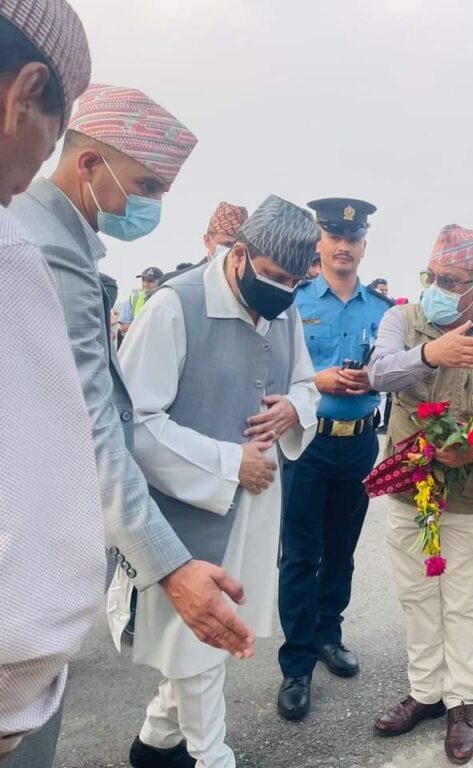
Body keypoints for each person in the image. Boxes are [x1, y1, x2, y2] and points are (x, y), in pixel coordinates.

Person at [9, 81, 255, 757]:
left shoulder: (60, 240)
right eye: (145, 184)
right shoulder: (41, 249)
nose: (148, 204)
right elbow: (97, 425)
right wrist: (170, 568)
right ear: (89, 165)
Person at [115, 194, 320, 768]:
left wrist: (294, 410)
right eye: (276, 276)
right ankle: (212, 756)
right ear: (239, 255)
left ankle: (156, 743)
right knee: (205, 637)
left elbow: (306, 384)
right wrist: (231, 462)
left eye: (296, 282)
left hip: (257, 508)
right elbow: (136, 424)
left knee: (211, 636)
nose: (284, 291)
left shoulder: (287, 307)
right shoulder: (173, 307)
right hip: (189, 509)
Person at [368, 224, 473, 764]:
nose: (437, 286)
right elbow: (380, 374)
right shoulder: (402, 320)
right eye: (431, 275)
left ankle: (461, 703)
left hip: (463, 497)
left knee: (462, 602)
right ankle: (424, 693)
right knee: (416, 596)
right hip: (408, 490)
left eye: (450, 280)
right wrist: (431, 353)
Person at [0, 3, 102, 765]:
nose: (37, 165)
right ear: (21, 93)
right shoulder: (13, 251)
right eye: (50, 134)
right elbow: (41, 546)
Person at [276, 198, 392, 721]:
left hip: (360, 441)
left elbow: (396, 371)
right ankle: (296, 665)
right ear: (319, 243)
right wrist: (315, 380)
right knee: (301, 554)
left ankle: (328, 634)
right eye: (335, 237)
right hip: (307, 439)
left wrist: (376, 378)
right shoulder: (294, 302)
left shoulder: (384, 312)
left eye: (354, 238)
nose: (344, 246)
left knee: (342, 549)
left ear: (364, 247)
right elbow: (272, 371)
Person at [159, 202, 250, 287]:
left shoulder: (247, 286)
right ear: (207, 241)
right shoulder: (175, 283)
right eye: (227, 244)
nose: (232, 251)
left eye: (237, 246)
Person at [119, 266, 163, 333]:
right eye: (143, 280)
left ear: (160, 282)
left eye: (150, 281)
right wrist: (148, 326)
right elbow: (124, 327)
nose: (145, 284)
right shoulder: (132, 299)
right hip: (138, 341)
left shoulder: (165, 299)